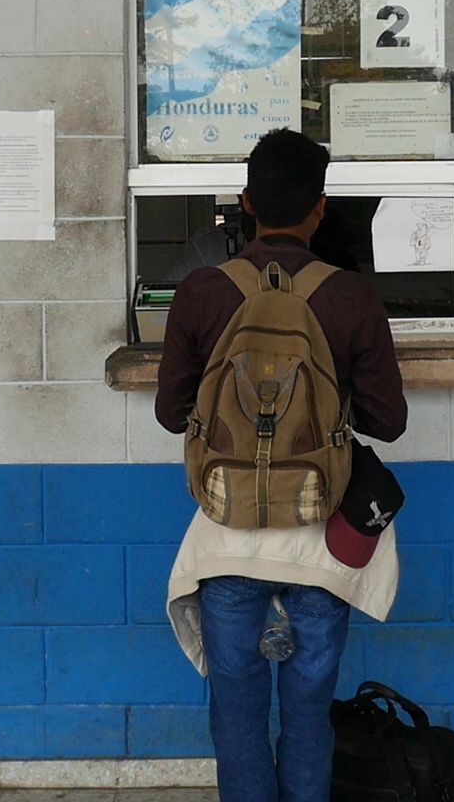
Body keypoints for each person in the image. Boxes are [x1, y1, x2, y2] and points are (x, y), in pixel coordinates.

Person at [157, 128, 407, 802]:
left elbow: (170, 412)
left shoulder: (203, 293)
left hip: (226, 537)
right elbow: (389, 422)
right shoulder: (352, 297)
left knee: (235, 712)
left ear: (244, 202)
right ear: (321, 208)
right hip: (321, 541)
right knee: (307, 712)